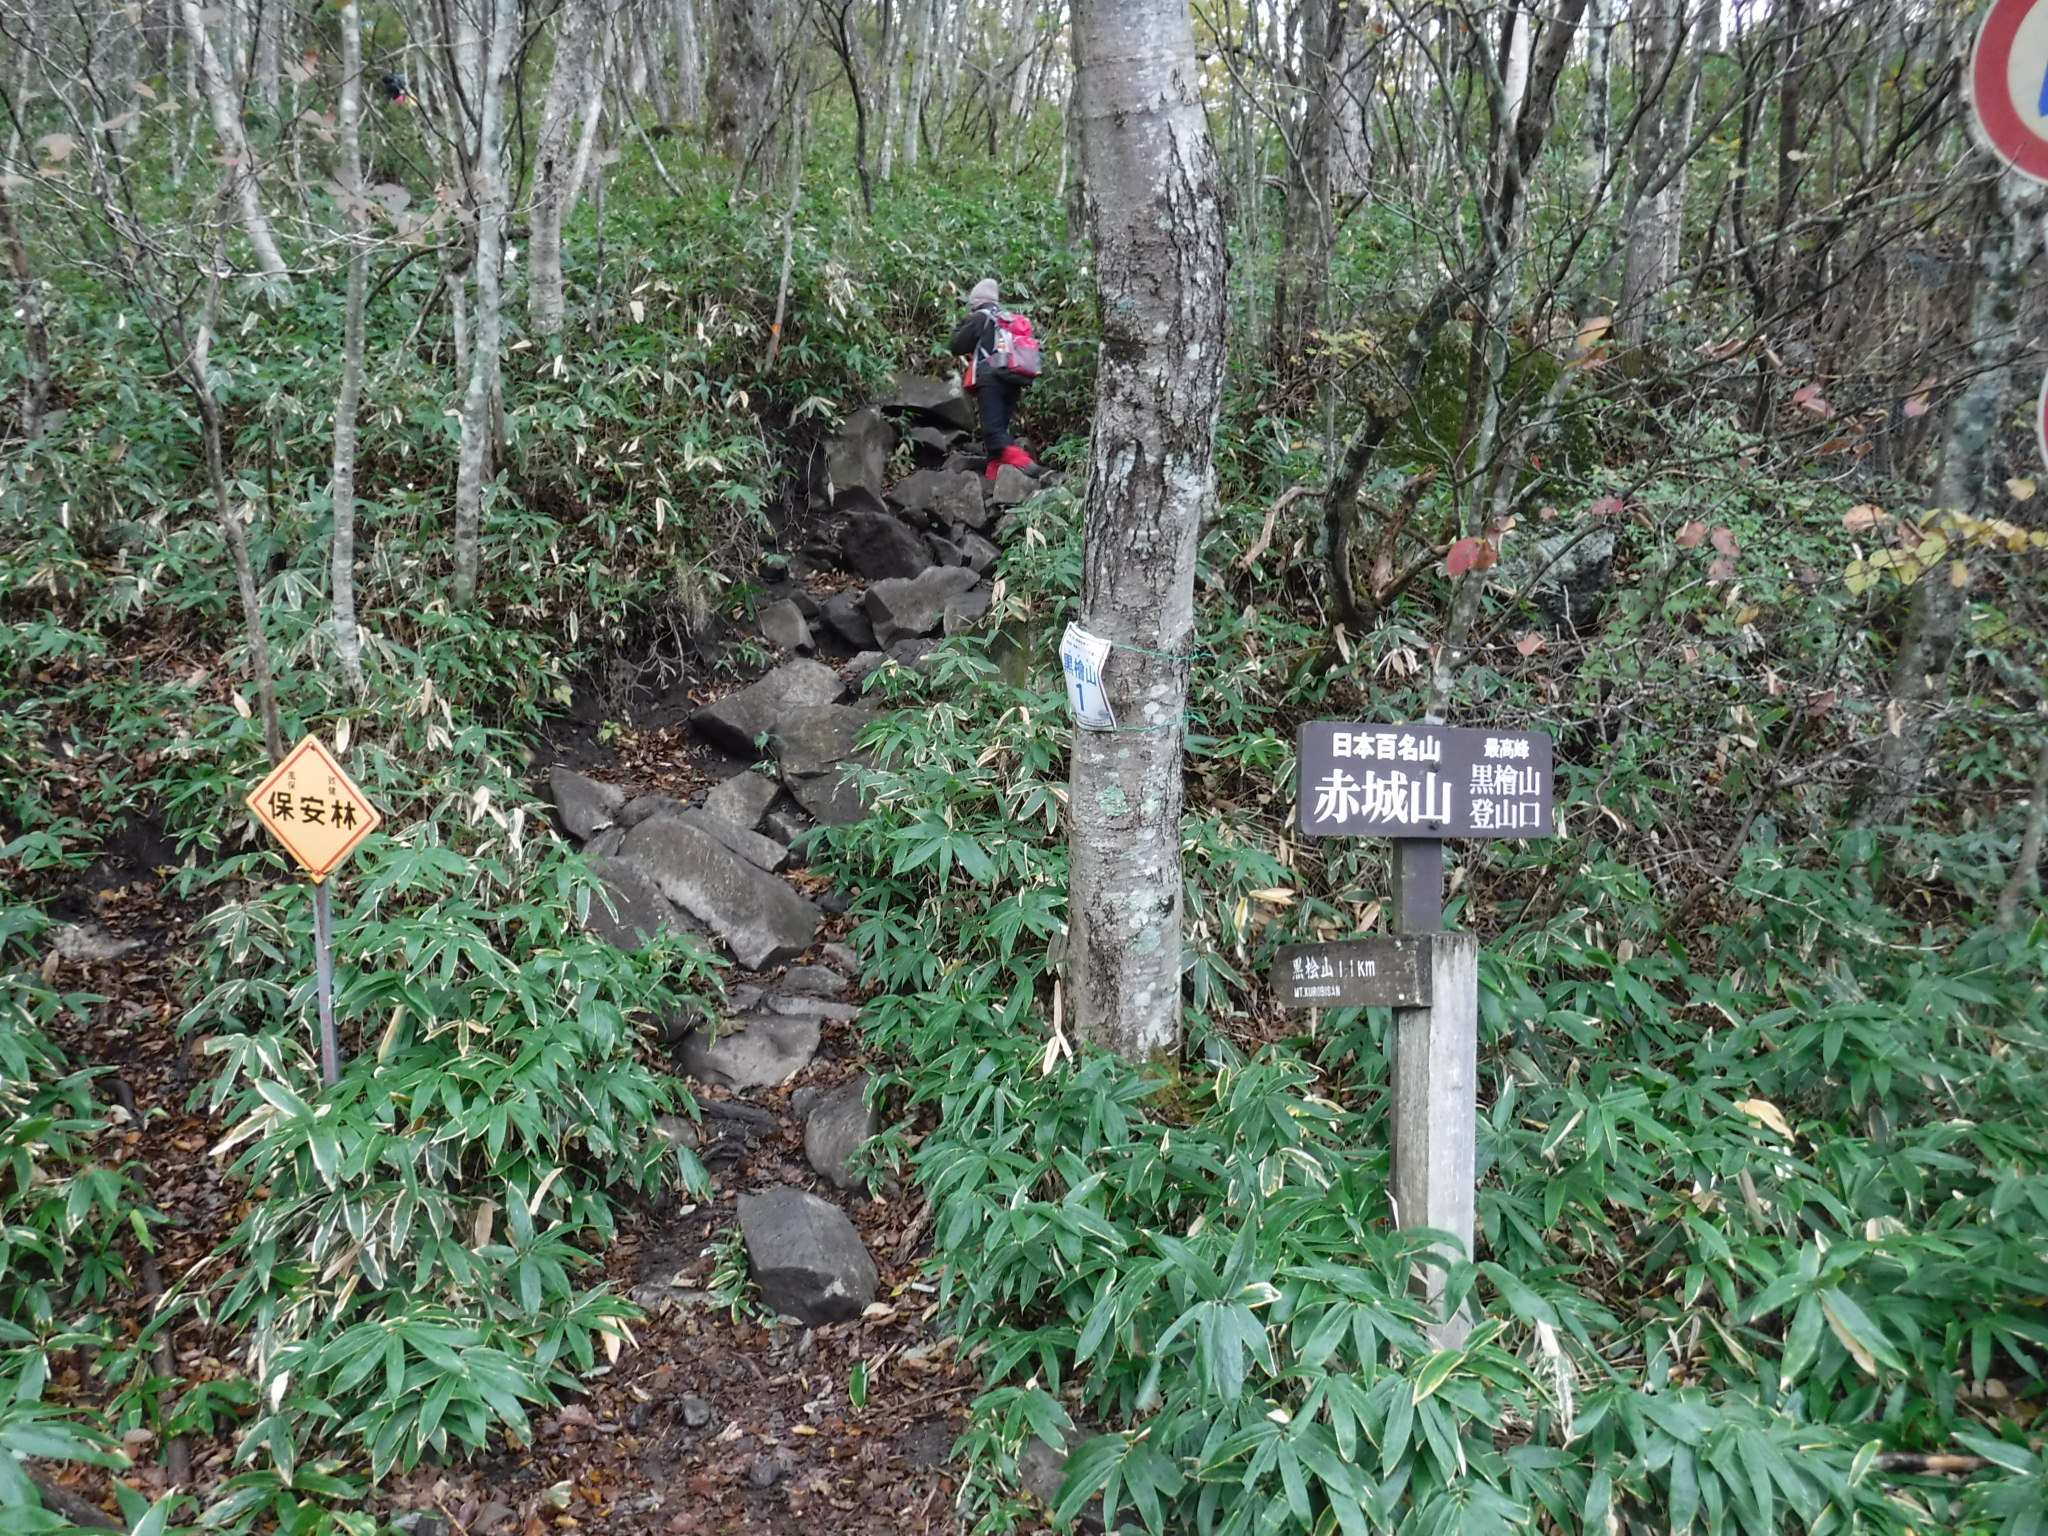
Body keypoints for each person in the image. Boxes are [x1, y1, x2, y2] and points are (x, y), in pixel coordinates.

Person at [948, 279, 1045, 479]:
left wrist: (963, 323)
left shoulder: (980, 318)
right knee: (999, 429)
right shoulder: (1006, 319)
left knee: (992, 434)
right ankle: (993, 478)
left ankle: (1027, 464)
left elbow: (956, 345)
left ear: (976, 301)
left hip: (991, 380)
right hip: (1013, 379)